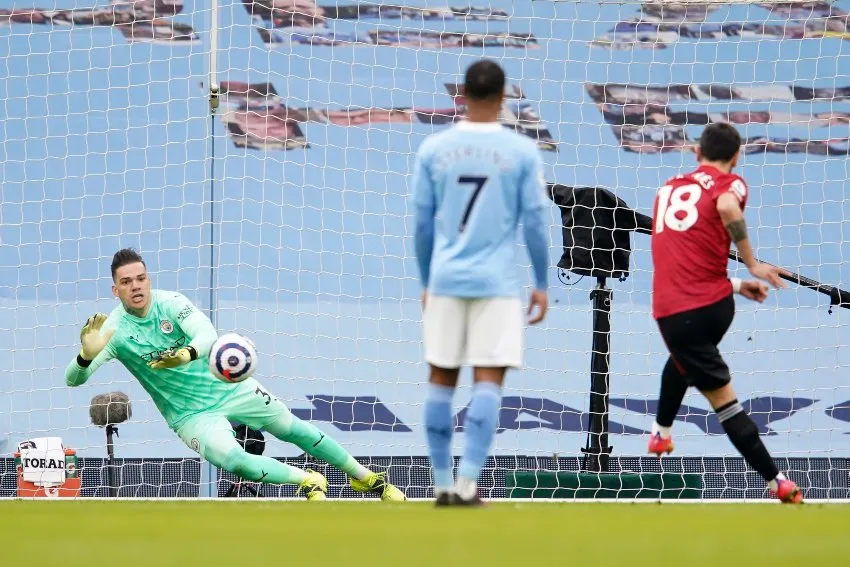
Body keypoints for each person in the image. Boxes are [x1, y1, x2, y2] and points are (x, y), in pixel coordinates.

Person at [65, 248, 405, 501]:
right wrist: (85, 356)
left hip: (229, 388)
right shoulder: (113, 331)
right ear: (116, 290)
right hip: (190, 415)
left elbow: (208, 336)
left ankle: (366, 479)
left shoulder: (170, 303)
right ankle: (306, 480)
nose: (136, 286)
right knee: (236, 461)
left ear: (148, 279)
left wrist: (183, 355)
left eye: (141, 278)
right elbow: (73, 380)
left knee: (294, 429)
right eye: (126, 282)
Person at [411, 59, 550, 506]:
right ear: (504, 97)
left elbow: (421, 225)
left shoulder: (434, 148)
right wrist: (543, 282)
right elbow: (534, 222)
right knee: (488, 382)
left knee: (440, 380)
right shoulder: (522, 151)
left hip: (447, 280)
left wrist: (426, 279)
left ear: (462, 95)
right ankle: (469, 484)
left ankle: (440, 485)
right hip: (497, 285)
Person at [649, 122, 802, 503]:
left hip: (675, 311)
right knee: (684, 359)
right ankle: (661, 434)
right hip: (714, 305)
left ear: (696, 153)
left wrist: (748, 266)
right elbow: (725, 209)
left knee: (723, 402)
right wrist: (742, 276)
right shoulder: (730, 184)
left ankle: (777, 482)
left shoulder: (666, 189)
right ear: (736, 157)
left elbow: (683, 257)